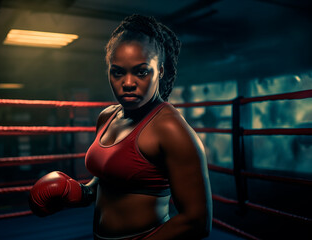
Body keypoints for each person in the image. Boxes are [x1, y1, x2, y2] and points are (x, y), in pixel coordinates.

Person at [29, 14, 212, 240]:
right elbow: (108, 180)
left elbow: (197, 221)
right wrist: (81, 192)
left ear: (161, 71)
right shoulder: (107, 117)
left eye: (141, 71)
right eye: (118, 72)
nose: (127, 83)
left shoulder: (169, 128)